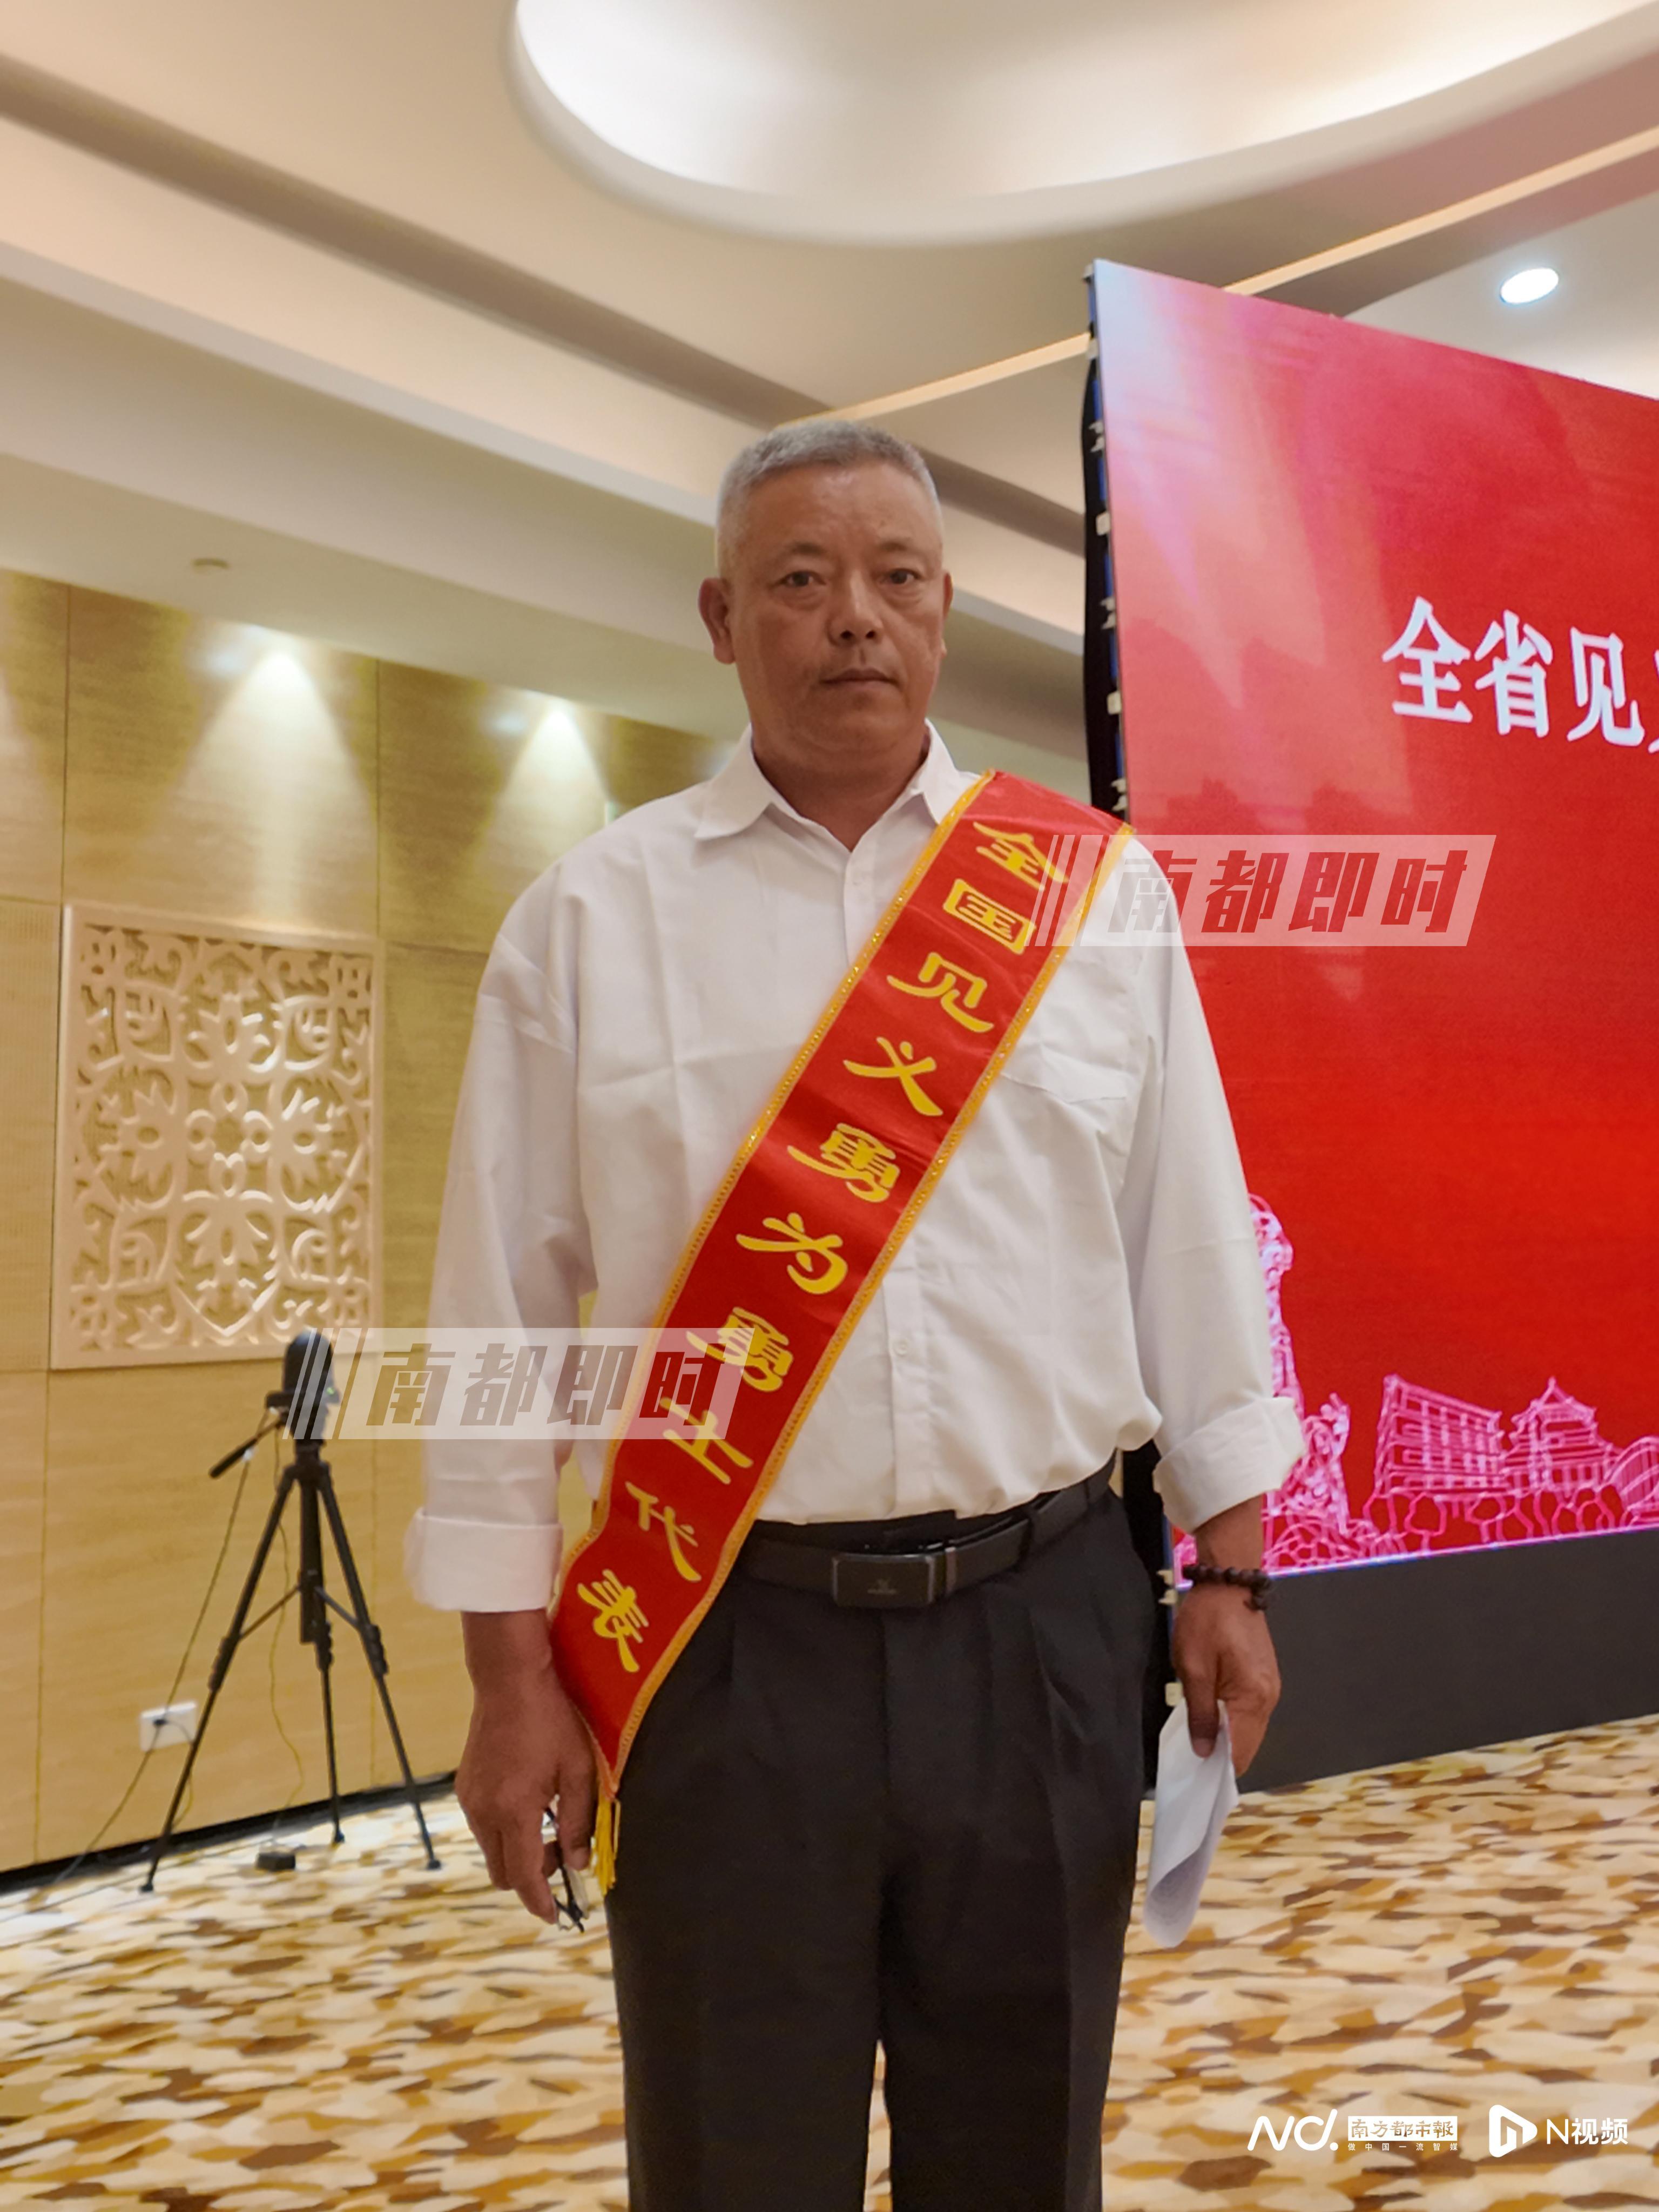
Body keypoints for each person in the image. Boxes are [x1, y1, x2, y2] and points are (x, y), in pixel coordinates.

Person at [409, 420, 1304, 2212]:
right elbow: (503, 1318)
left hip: (1043, 1630)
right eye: (801, 581)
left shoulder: (1092, 894)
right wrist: (512, 1684)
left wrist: (1233, 1567)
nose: (854, 619)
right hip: (726, 1649)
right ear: (720, 618)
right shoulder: (589, 920)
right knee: (731, 2156)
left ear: (948, 609)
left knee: (1022, 2151)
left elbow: (1188, 1237)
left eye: (896, 578)